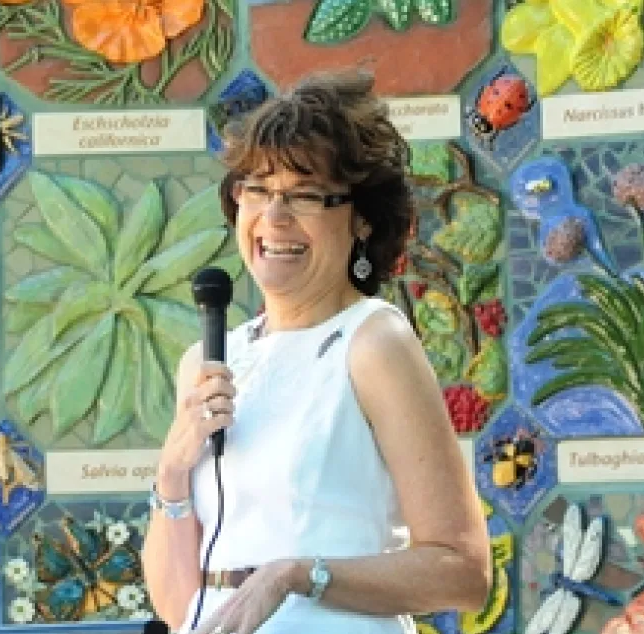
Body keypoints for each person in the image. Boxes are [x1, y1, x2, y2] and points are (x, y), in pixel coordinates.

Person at [139, 68, 492, 634]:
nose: (273, 218)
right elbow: (179, 603)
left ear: (360, 220)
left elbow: (464, 572)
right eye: (257, 189)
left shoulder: (373, 341)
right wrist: (172, 472)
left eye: (303, 196)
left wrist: (295, 575)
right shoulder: (208, 361)